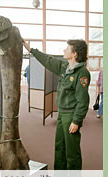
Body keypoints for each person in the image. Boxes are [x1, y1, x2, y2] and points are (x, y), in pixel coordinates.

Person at [23, 39, 90, 170]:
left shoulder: (82, 73)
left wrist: (76, 121)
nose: (64, 50)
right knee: (60, 146)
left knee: (72, 151)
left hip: (70, 116)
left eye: (67, 48)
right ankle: (60, 175)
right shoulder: (65, 67)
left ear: (74, 54)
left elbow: (83, 101)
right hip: (62, 113)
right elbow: (48, 60)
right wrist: (30, 50)